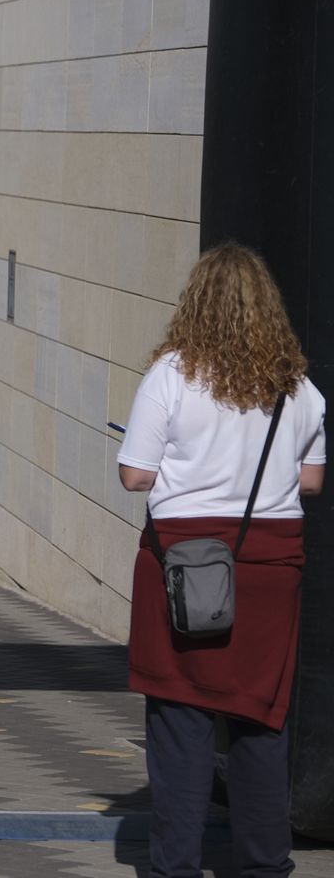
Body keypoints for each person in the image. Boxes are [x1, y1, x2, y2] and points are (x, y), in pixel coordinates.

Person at [115, 243, 325, 877]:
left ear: (195, 303)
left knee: (180, 718)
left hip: (185, 567)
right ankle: (264, 865)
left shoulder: (171, 377)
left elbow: (133, 476)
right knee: (262, 719)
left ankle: (175, 866)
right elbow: (311, 482)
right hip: (268, 571)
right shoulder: (298, 388)